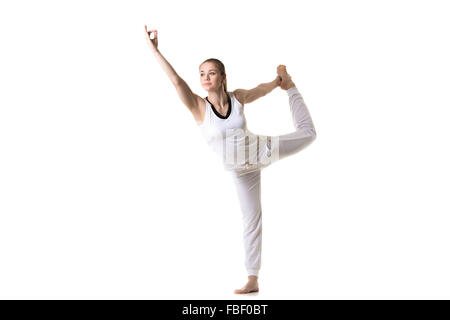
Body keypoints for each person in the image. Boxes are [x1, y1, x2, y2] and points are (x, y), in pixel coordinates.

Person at [144, 26, 317, 294]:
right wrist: (155, 50)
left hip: (263, 150)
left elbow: (258, 90)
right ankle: (252, 279)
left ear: (222, 77)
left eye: (211, 72)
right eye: (201, 74)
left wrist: (279, 82)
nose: (205, 77)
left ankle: (292, 87)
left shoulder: (237, 98)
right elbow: (177, 82)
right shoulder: (198, 106)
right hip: (241, 171)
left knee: (308, 134)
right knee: (252, 218)